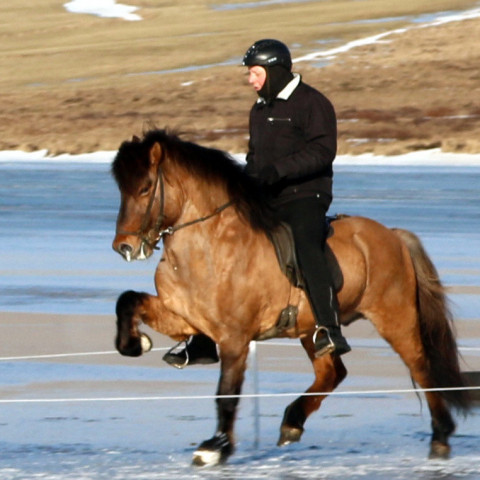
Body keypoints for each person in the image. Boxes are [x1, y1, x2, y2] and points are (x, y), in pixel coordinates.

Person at [163, 39, 350, 368]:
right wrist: (242, 184)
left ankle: (329, 328)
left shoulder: (312, 102)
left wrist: (277, 171)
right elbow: (254, 159)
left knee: (306, 243)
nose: (250, 80)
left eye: (254, 73)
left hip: (306, 194)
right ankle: (204, 340)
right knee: (221, 243)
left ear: (274, 71)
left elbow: (323, 152)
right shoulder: (260, 110)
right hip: (267, 195)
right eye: (250, 74)